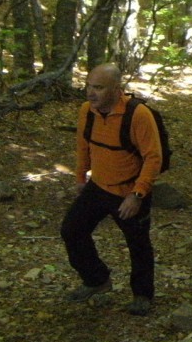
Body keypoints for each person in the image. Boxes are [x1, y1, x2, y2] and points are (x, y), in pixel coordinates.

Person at [60, 64, 161, 316]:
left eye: (98, 87)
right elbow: (84, 145)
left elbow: (153, 158)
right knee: (72, 231)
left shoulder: (138, 115)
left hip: (130, 191)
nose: (90, 93)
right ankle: (96, 279)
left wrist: (137, 195)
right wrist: (80, 176)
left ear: (117, 89)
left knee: (138, 244)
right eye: (88, 86)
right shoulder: (88, 111)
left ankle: (142, 294)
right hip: (98, 186)